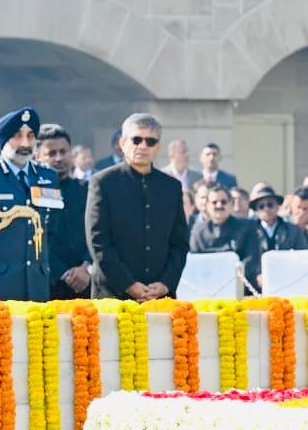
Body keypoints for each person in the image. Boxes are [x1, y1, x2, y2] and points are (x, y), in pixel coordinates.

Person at [86, 113, 189, 301]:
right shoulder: (103, 182)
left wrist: (166, 283)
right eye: (136, 140)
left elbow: (179, 244)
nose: (143, 146)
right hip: (113, 296)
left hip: (160, 296)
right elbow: (99, 242)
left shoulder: (171, 187)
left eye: (150, 141)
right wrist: (129, 285)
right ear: (123, 142)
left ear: (158, 147)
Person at [0, 107, 59, 301]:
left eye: (31, 136)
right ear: (3, 140)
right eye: (17, 136)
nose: (26, 143)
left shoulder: (48, 176)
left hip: (36, 284)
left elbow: (51, 227)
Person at [36, 124, 91, 300]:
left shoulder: (88, 190)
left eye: (63, 151)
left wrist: (86, 266)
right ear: (37, 157)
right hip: (47, 285)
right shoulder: (30, 193)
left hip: (86, 283)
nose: (59, 158)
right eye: (51, 153)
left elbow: (99, 232)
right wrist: (64, 273)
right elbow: (35, 239)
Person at [190, 184, 262, 292]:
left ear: (231, 205)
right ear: (207, 206)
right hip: (207, 290)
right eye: (214, 202)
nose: (219, 205)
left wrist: (226, 276)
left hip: (241, 289)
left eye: (223, 202)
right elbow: (194, 262)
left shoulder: (247, 227)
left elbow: (252, 261)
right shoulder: (198, 231)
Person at [250, 185, 308, 252]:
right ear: (256, 211)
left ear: (278, 206)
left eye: (270, 204)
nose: (266, 209)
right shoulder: (250, 232)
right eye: (261, 206)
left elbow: (302, 255)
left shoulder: (293, 231)